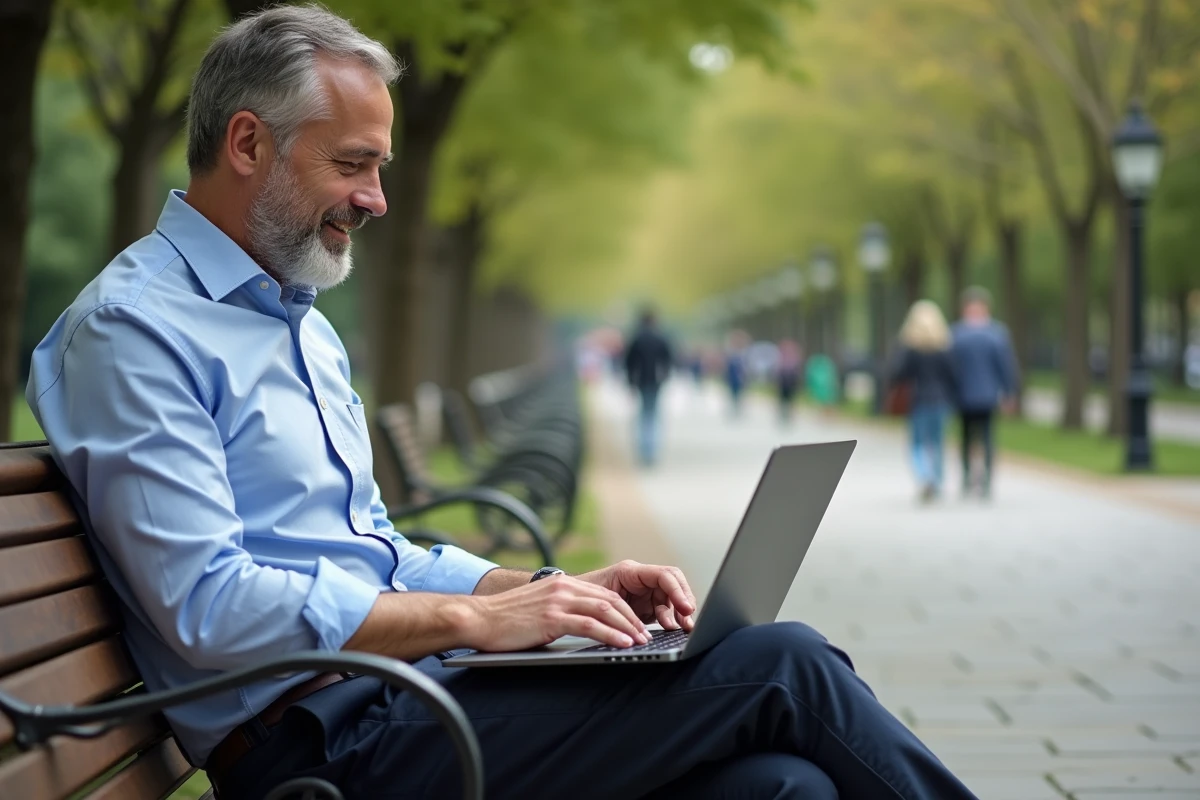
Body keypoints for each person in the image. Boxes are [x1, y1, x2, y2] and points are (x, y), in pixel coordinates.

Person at [26, 7, 980, 799]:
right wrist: (470, 624)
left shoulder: (297, 321)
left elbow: (379, 549)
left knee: (781, 787)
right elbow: (210, 608)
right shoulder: (132, 332)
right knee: (783, 665)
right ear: (247, 143)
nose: (378, 198)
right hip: (322, 752)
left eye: (383, 168)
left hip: (405, 700)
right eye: (354, 164)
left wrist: (535, 592)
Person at [951, 287, 1018, 498]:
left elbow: (1005, 366)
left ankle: (973, 477)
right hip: (980, 395)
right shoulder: (996, 334)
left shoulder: (956, 333)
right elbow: (1006, 366)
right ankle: (978, 477)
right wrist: (1009, 391)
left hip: (971, 395)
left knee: (974, 438)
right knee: (977, 438)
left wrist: (1008, 391)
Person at [891, 301, 959, 502]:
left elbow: (898, 373)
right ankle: (936, 480)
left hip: (918, 399)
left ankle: (924, 476)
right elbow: (953, 375)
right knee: (937, 442)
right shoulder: (944, 347)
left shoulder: (910, 348)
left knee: (918, 443)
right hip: (941, 400)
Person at [623, 308, 673, 465]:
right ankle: (651, 451)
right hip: (656, 382)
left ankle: (644, 450)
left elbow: (629, 363)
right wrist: (664, 378)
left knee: (644, 415)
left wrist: (631, 383)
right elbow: (668, 360)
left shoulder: (636, 339)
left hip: (641, 382)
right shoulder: (660, 338)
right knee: (652, 415)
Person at [775, 338, 803, 423]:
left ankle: (789, 415)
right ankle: (783, 415)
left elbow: (797, 372)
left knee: (790, 400)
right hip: (783, 383)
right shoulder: (781, 358)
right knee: (783, 400)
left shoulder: (793, 359)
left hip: (790, 383)